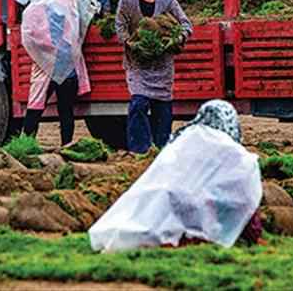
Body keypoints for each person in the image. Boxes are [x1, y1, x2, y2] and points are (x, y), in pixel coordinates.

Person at [89, 100, 263, 251]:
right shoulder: (239, 160)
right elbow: (244, 201)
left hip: (159, 220)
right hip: (191, 230)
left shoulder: (182, 142)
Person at [10, 0, 100, 146]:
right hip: (69, 61)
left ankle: (26, 144)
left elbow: (29, 41)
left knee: (35, 106)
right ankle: (66, 145)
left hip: (45, 66)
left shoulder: (31, 12)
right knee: (66, 109)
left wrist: (46, 57)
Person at [115, 0, 192, 153]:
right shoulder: (127, 1)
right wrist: (129, 42)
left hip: (162, 64)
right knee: (138, 103)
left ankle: (161, 149)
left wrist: (176, 39)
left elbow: (185, 23)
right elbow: (120, 25)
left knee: (162, 107)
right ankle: (139, 149)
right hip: (138, 63)